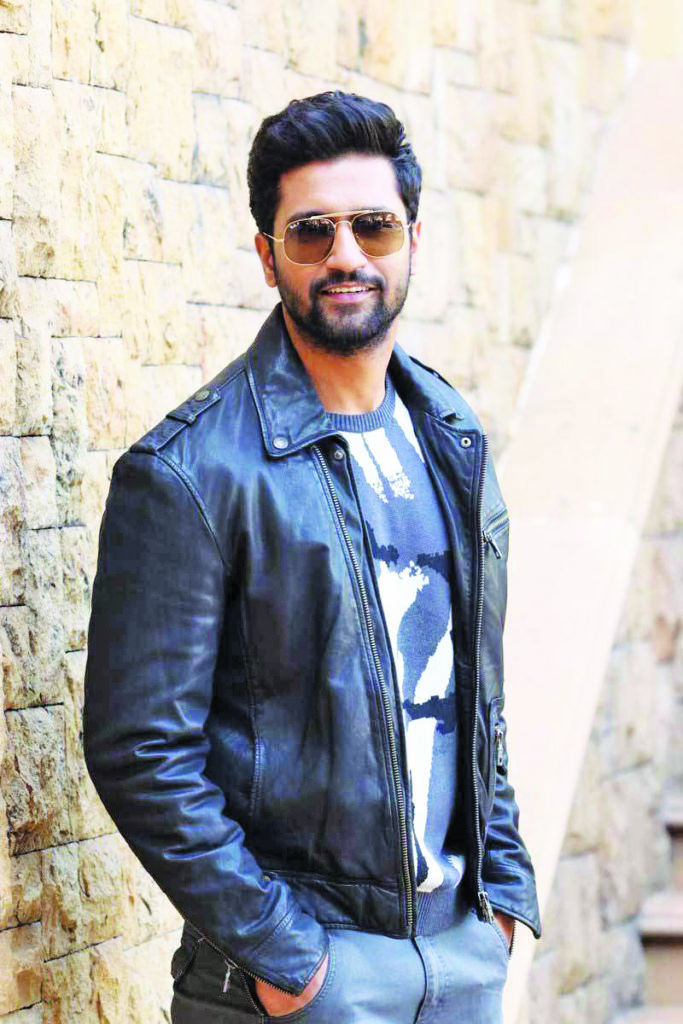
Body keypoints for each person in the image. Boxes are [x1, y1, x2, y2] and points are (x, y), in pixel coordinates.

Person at [84, 91, 540, 1023]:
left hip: (461, 955)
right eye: (311, 232)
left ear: (412, 241)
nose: (345, 254)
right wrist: (286, 956)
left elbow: (476, 693)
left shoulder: (449, 435)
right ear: (268, 257)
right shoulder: (190, 473)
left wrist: (500, 894)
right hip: (307, 978)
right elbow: (141, 748)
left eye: (373, 227)